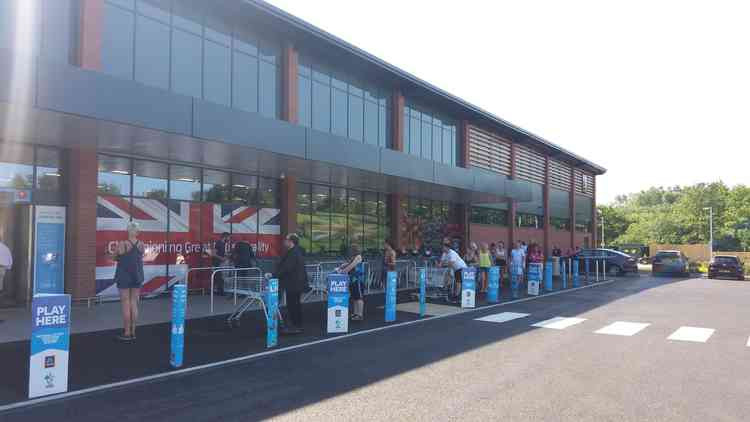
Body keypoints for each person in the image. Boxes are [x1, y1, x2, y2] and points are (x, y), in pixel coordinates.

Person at [111, 222, 145, 341]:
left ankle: (127, 332)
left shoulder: (122, 244)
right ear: (137, 232)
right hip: (137, 276)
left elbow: (114, 257)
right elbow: (140, 257)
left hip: (124, 276)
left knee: (125, 303)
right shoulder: (141, 245)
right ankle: (133, 331)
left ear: (127, 231)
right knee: (134, 303)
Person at [276, 234, 309, 334]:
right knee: (294, 304)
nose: (284, 241)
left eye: (286, 239)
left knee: (293, 305)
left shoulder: (294, 253)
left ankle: (296, 326)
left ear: (291, 241)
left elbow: (287, 268)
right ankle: (296, 325)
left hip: (294, 283)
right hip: (295, 283)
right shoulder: (295, 251)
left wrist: (274, 275)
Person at [337, 244, 365, 321]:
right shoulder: (353, 258)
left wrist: (343, 271)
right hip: (352, 280)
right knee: (355, 297)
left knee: (359, 297)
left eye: (351, 250)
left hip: (358, 280)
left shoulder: (358, 257)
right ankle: (356, 313)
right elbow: (347, 264)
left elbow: (351, 266)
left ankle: (360, 314)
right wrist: (341, 267)